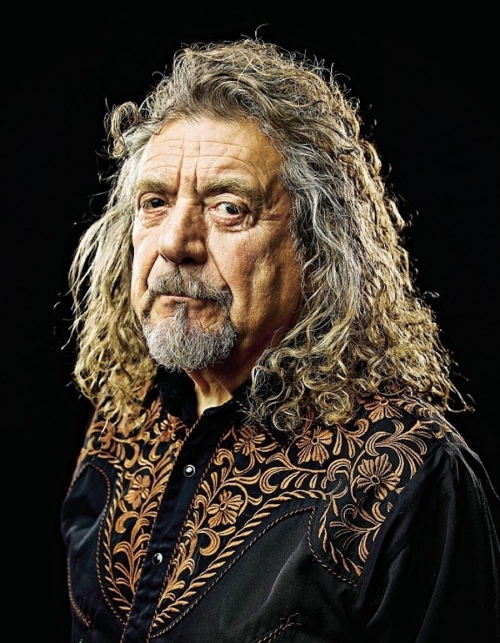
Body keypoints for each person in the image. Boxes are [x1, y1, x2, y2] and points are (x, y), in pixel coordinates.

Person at [61, 38, 500, 642]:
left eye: (228, 208)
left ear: (316, 248)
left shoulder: (410, 478)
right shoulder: (121, 419)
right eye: (155, 202)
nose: (175, 242)